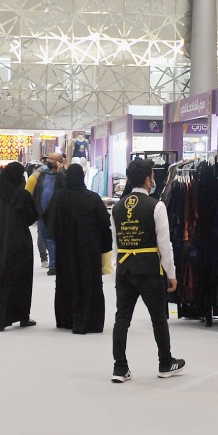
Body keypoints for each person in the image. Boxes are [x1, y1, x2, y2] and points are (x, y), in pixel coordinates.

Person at [110, 158, 185, 383]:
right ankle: (165, 362)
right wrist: (171, 274)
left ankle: (120, 367)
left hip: (124, 269)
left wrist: (120, 267)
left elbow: (116, 243)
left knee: (121, 320)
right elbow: (165, 244)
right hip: (150, 269)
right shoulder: (156, 205)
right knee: (158, 318)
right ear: (147, 178)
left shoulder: (117, 207)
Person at [47, 163, 112, 334]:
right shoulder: (93, 198)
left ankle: (66, 318)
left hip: (65, 250)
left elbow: (49, 222)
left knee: (67, 281)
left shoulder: (59, 197)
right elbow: (105, 224)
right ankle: (89, 320)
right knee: (88, 282)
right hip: (89, 250)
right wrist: (104, 247)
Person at [0, 162, 39, 331]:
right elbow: (31, 217)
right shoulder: (22, 196)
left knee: (0, 277)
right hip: (19, 242)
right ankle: (22, 315)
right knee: (21, 280)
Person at [31, 153, 64, 274]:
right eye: (48, 158)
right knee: (45, 238)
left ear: (59, 162)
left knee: (52, 239)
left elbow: (65, 189)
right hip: (41, 213)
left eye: (52, 159)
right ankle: (53, 263)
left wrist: (60, 173)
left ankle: (54, 265)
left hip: (55, 213)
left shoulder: (62, 177)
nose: (48, 160)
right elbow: (37, 193)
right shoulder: (42, 176)